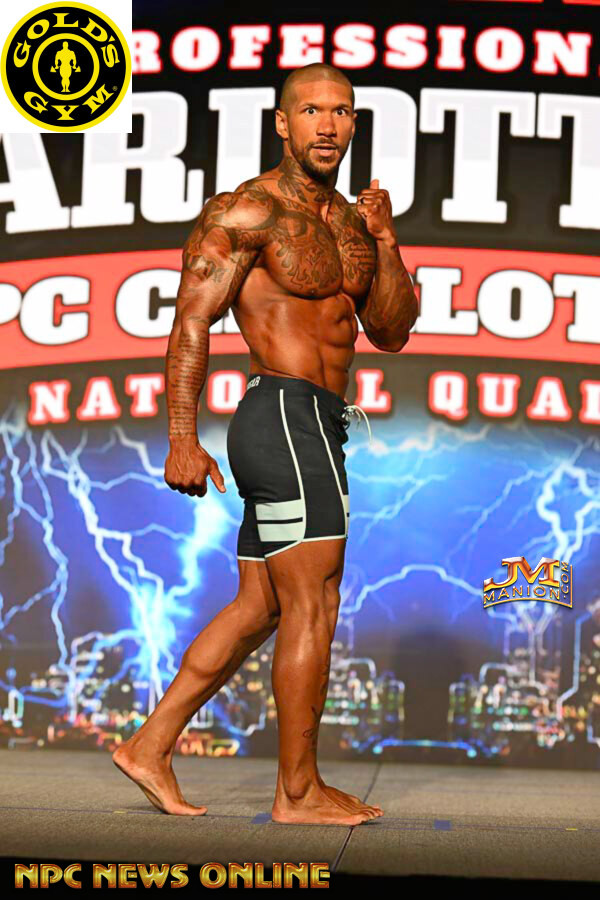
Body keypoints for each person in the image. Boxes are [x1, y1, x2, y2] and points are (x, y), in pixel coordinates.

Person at [112, 62, 419, 825]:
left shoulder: (353, 223)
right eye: (311, 111)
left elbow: (391, 330)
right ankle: (298, 792)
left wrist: (386, 239)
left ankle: (148, 746)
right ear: (283, 123)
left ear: (354, 124)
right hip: (282, 415)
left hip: (315, 423)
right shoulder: (247, 210)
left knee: (261, 605)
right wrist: (181, 437)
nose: (327, 124)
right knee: (313, 601)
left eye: (340, 112)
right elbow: (191, 319)